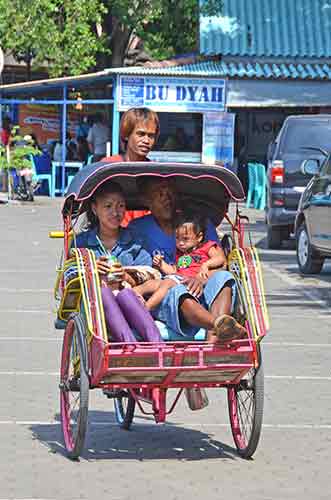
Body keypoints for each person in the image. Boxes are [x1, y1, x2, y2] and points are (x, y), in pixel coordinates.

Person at [128, 176, 246, 343]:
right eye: (159, 194)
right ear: (146, 200)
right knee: (177, 290)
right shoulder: (137, 228)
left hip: (203, 286)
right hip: (166, 295)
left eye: (170, 192)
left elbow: (221, 262)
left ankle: (210, 348)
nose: (167, 198)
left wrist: (200, 278)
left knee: (225, 277)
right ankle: (218, 325)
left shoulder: (198, 223)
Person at [75, 180, 162, 344]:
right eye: (108, 206)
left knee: (126, 294)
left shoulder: (136, 240)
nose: (115, 212)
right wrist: (92, 270)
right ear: (95, 209)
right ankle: (130, 345)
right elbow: (69, 277)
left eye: (120, 206)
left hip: (131, 304)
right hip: (94, 309)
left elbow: (151, 274)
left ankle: (158, 346)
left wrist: (126, 277)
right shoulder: (82, 243)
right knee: (104, 293)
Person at [134, 212, 231, 323]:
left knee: (167, 283)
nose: (180, 243)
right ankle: (130, 293)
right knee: (153, 283)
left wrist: (206, 265)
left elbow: (220, 259)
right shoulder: (180, 254)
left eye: (185, 239)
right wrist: (161, 264)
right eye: (177, 238)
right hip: (179, 279)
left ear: (199, 237)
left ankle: (146, 308)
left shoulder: (206, 247)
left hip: (192, 282)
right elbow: (173, 271)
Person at [102, 107, 160, 225]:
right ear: (127, 135)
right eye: (141, 134)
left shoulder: (156, 172)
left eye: (151, 136)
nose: (146, 140)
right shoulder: (108, 166)